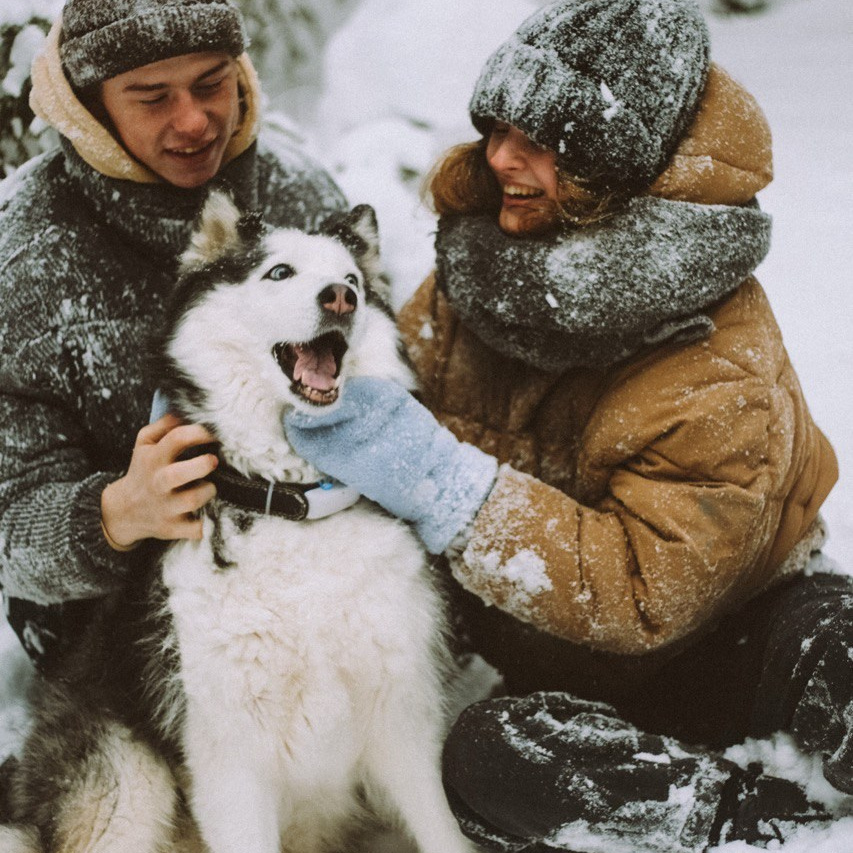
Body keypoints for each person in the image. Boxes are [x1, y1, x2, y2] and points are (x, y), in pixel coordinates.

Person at [283, 0, 851, 850]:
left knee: (837, 649)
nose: (504, 158)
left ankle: (779, 823)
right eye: (498, 127)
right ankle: (726, 809)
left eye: (545, 143)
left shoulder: (718, 358)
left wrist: (450, 485)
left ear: (616, 171)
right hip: (572, 685)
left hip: (736, 637)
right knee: (478, 758)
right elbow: (377, 408)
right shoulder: (472, 275)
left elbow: (647, 590)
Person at [0, 0, 346, 675]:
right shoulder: (23, 263)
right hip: (120, 615)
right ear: (90, 107)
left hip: (316, 558)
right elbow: (9, 528)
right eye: (152, 97)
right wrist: (115, 513)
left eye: (211, 83)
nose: (193, 121)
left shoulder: (302, 197)